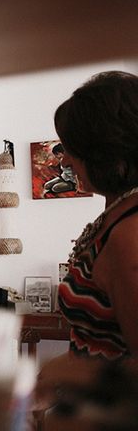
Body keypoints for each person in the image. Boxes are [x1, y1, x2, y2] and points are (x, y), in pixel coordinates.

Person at [35, 71, 138, 422]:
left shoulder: (130, 234)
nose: (64, 161)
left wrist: (64, 371)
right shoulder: (116, 212)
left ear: (107, 152)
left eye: (73, 150)